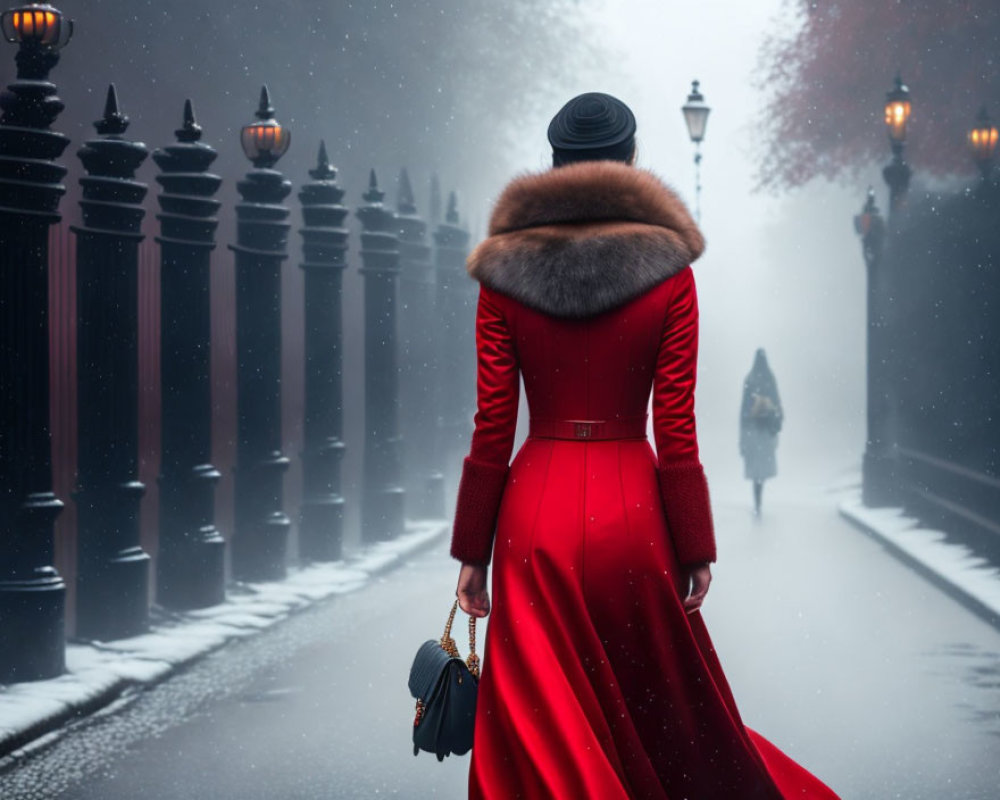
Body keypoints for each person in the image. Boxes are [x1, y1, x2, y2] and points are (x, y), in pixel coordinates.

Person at [450, 92, 837, 799]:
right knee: (655, 716)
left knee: (543, 726)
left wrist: (473, 548)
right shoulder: (670, 275)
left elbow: (493, 425)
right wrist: (694, 546)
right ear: (628, 163)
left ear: (555, 164)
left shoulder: (503, 276)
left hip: (535, 518)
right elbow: (677, 426)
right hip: (634, 514)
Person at [740, 348, 783, 515]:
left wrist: (742, 437)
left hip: (753, 431)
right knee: (762, 468)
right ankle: (759, 496)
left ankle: (756, 498)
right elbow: (777, 403)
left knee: (756, 468)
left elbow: (743, 410)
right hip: (765, 431)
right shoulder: (769, 379)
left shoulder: (749, 379)